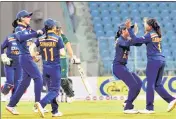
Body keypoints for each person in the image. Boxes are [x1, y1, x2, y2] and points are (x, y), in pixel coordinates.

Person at [125, 18, 176, 114]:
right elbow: (138, 43)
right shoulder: (156, 34)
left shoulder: (149, 35)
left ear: (150, 26)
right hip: (161, 60)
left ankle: (149, 108)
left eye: (145, 24)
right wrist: (131, 39)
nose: (144, 25)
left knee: (150, 85)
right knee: (157, 85)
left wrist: (129, 29)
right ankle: (171, 100)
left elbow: (136, 40)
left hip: (153, 61)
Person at [6, 10, 44, 115]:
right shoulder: (18, 29)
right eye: (28, 17)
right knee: (38, 78)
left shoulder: (27, 28)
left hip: (26, 57)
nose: (30, 18)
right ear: (22, 18)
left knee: (24, 84)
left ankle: (11, 105)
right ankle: (38, 103)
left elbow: (37, 34)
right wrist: (36, 33)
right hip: (24, 57)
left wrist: (48, 28)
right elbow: (20, 37)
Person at [30, 18, 66, 117]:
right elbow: (62, 53)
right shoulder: (57, 38)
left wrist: (34, 55)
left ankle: (55, 111)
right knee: (55, 91)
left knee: (51, 90)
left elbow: (31, 47)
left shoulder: (41, 38)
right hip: (54, 67)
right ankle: (41, 104)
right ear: (53, 27)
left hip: (45, 68)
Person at [112, 23, 143, 114]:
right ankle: (127, 108)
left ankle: (127, 102)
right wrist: (134, 36)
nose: (129, 31)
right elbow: (129, 43)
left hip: (123, 67)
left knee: (139, 84)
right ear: (122, 31)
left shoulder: (126, 39)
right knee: (133, 85)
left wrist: (134, 36)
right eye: (127, 29)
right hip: (118, 67)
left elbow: (138, 44)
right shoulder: (119, 40)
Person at [55, 21, 80, 103]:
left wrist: (72, 56)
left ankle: (70, 95)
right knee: (53, 80)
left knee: (63, 80)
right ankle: (54, 96)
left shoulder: (62, 37)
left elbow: (68, 47)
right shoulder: (49, 37)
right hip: (52, 61)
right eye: (56, 28)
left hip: (62, 60)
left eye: (58, 28)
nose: (57, 30)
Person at [1, 26, 22, 102]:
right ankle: (3, 93)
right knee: (10, 82)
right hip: (10, 63)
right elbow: (1, 47)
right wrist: (3, 56)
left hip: (19, 64)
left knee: (18, 83)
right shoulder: (9, 38)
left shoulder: (24, 40)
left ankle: (13, 100)